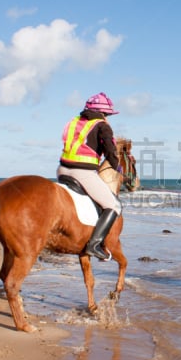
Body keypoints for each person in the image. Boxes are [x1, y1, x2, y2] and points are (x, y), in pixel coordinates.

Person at [57, 92, 122, 261]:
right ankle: (94, 244)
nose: (107, 117)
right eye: (107, 114)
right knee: (113, 205)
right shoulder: (102, 125)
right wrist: (117, 168)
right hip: (83, 173)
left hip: (62, 170)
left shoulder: (73, 122)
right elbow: (111, 152)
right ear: (103, 113)